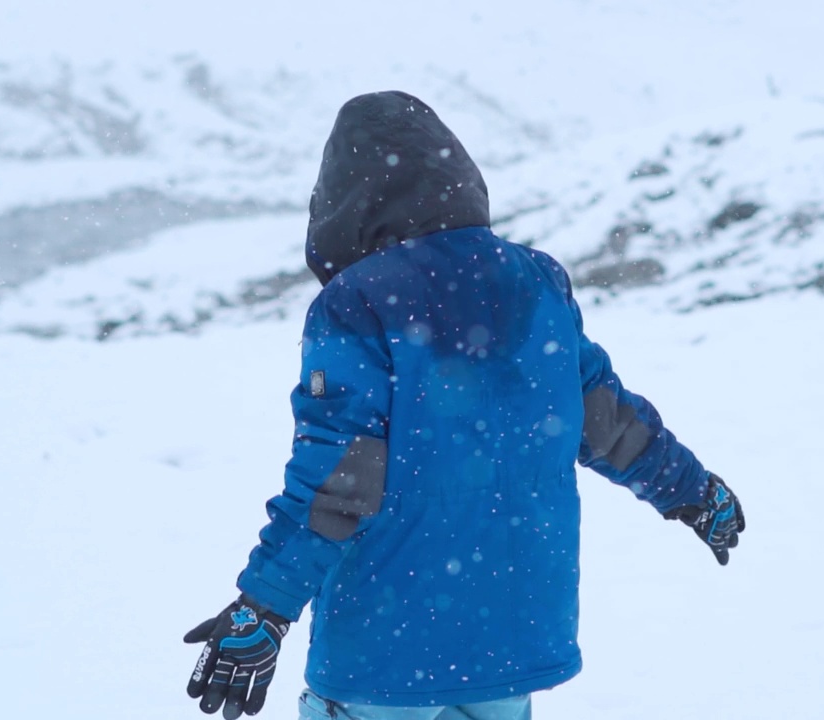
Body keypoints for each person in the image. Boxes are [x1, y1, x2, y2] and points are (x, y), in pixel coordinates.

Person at [183, 91, 745, 720]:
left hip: (386, 652)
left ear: (345, 198)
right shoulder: (535, 280)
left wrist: (264, 607)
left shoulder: (357, 301)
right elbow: (608, 420)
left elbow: (339, 477)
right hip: (512, 638)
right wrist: (693, 489)